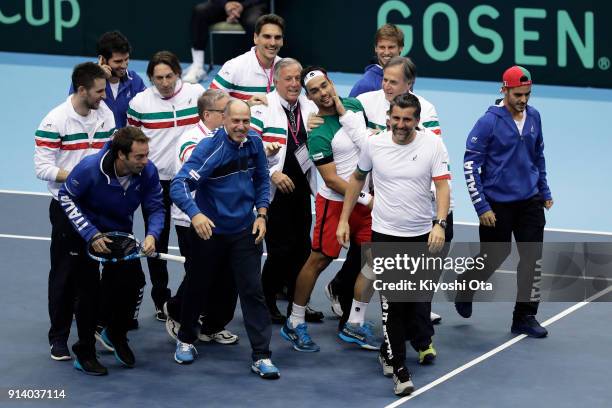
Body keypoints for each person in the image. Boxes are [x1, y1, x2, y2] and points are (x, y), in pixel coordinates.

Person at [337, 93, 450, 396]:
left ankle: (388, 351)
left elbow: (442, 186)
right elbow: (357, 179)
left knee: (414, 304)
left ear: (417, 120)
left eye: (407, 119)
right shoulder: (374, 144)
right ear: (389, 117)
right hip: (385, 235)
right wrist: (343, 219)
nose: (401, 125)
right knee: (393, 306)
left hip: (420, 236)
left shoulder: (432, 145)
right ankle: (400, 369)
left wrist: (439, 224)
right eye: (396, 118)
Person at [170, 99, 280, 379]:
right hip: (210, 232)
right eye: (236, 121)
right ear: (224, 120)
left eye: (246, 121)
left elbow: (262, 179)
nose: (241, 127)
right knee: (198, 286)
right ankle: (185, 339)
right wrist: (195, 215)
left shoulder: (255, 143)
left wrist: (262, 214)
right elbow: (179, 185)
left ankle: (262, 356)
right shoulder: (210, 148)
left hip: (245, 231)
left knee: (253, 292)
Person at [280, 66, 379, 353]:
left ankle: (355, 324)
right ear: (308, 97)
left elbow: (370, 139)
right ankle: (295, 322)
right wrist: (366, 199)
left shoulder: (354, 106)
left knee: (374, 260)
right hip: (335, 205)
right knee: (319, 260)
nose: (322, 94)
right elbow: (333, 179)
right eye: (314, 91)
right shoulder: (319, 132)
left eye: (325, 86)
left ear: (332, 83)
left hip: (366, 201)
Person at [57, 126, 165, 375]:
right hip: (83, 231)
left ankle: (116, 333)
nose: (145, 161)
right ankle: (84, 353)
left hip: (117, 232)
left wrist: (152, 235)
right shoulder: (89, 168)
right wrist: (91, 233)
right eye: (139, 156)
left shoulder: (147, 171)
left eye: (147, 154)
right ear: (121, 155)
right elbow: (66, 197)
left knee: (134, 283)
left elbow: (156, 207)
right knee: (88, 292)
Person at [456, 65, 553, 338]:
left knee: (532, 258)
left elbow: (539, 157)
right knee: (495, 254)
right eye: (518, 95)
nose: (523, 100)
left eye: (527, 95)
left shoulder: (534, 117)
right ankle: (467, 284)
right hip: (496, 205)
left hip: (530, 200)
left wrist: (544, 190)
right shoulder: (488, 122)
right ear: (505, 90)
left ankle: (524, 316)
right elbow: (470, 165)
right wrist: (481, 205)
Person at [34, 62, 115, 362]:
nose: (103, 97)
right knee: (65, 277)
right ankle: (58, 338)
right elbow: (42, 168)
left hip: (98, 208)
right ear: (81, 90)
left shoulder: (104, 115)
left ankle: (89, 332)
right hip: (67, 208)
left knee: (91, 276)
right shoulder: (54, 122)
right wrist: (80, 179)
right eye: (98, 91)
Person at [127, 51, 205, 321]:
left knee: (191, 242)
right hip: (154, 182)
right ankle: (161, 298)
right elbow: (132, 141)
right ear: (150, 78)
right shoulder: (139, 103)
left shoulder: (196, 94)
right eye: (158, 78)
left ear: (178, 74)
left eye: (169, 76)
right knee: (156, 241)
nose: (164, 82)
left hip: (190, 181)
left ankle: (191, 295)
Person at [164, 88, 239, 345]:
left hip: (224, 219)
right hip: (193, 220)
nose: (231, 117)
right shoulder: (191, 140)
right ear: (208, 114)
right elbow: (202, 175)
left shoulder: (228, 136)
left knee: (226, 275)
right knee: (201, 274)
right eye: (225, 112)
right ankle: (176, 312)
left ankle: (212, 325)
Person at [249, 58, 321, 324]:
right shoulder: (261, 109)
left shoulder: (310, 106)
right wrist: (271, 173)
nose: (293, 84)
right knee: (279, 251)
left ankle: (297, 303)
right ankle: (266, 302)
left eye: (297, 79)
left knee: (302, 250)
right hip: (273, 193)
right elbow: (247, 146)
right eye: (288, 79)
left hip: (302, 188)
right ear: (276, 81)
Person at [70, 31, 146, 128]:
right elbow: (76, 111)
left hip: (124, 142)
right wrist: (99, 78)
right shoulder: (85, 79)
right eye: (118, 61)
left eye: (126, 59)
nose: (124, 65)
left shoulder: (135, 81)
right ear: (102, 59)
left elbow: (147, 111)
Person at [183, 0, 268, 83]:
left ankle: (256, 68)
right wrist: (226, 5)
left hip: (251, 5)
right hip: (223, 4)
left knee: (254, 22)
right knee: (200, 11)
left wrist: (242, 6)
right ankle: (198, 66)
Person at [209, 14, 284, 105]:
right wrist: (246, 106)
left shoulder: (286, 68)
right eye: (267, 37)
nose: (273, 43)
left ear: (282, 41)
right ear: (255, 38)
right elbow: (210, 103)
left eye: (277, 37)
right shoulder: (234, 67)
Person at [348, 24, 404, 98]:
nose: (386, 52)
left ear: (401, 48)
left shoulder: (406, 76)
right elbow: (348, 109)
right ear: (376, 48)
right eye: (382, 47)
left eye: (391, 47)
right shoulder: (364, 85)